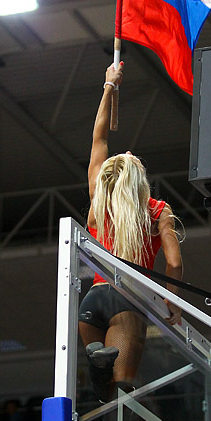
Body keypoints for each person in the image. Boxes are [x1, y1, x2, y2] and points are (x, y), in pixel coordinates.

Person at [78, 63, 183, 402]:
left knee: (107, 389)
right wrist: (171, 299)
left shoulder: (100, 198)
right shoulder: (156, 209)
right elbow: (175, 262)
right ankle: (98, 368)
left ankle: (96, 366)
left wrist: (108, 86)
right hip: (128, 298)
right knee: (122, 393)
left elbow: (99, 137)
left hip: (93, 298)